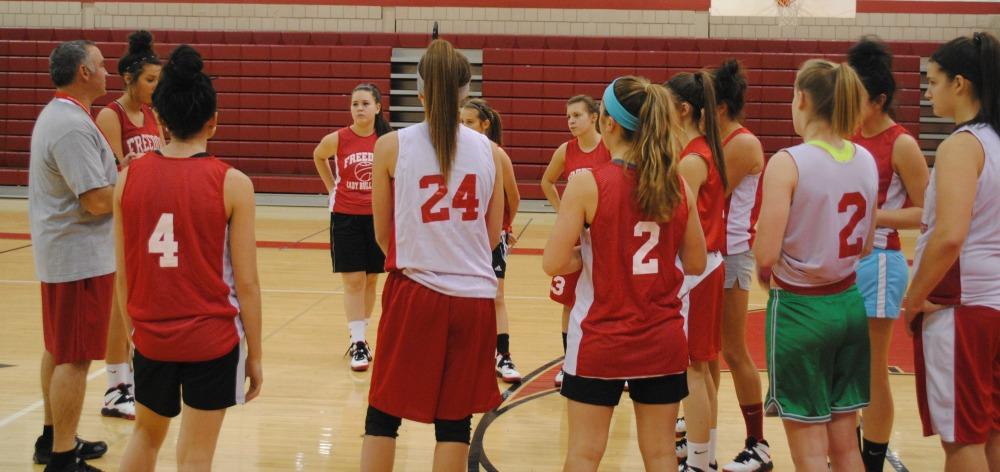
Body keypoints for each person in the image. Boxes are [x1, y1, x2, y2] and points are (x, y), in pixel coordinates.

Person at [544, 75, 705, 472]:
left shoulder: (586, 184)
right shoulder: (677, 184)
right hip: (662, 337)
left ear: (609, 123)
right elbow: (697, 262)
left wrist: (585, 261)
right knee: (662, 454)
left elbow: (552, 262)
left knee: (584, 452)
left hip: (601, 337)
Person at [115, 45, 263, 471]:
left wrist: (132, 335)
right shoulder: (233, 183)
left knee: (144, 437)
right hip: (211, 340)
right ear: (213, 121)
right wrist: (255, 354)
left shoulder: (127, 179)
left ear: (159, 119)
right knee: (196, 455)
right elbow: (247, 283)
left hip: (151, 335)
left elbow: (123, 272)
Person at [361, 39, 504, 471]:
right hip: (475, 299)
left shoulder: (390, 146)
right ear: (465, 93)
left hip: (416, 293)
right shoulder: (492, 153)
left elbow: (384, 236)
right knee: (455, 422)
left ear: (419, 92)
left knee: (383, 413)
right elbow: (492, 234)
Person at [755, 59, 876, 471]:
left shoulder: (789, 161)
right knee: (845, 446)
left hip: (801, 311)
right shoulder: (865, 159)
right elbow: (866, 246)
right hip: (849, 305)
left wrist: (764, 270)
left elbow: (766, 255)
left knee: (808, 451)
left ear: (802, 98)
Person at [903, 31, 1000, 472]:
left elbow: (949, 236)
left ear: (960, 84)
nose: (928, 91)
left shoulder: (963, 145)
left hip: (963, 306)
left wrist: (914, 298)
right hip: (992, 302)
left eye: (934, 81)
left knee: (962, 440)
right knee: (990, 431)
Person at [28, 39, 114, 472]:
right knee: (75, 357)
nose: (107, 71)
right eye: (100, 65)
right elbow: (97, 200)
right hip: (78, 258)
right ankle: (63, 461)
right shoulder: (70, 125)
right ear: (83, 72)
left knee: (59, 349)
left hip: (67, 255)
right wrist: (140, 183)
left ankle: (53, 438)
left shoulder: (66, 115)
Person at [847, 36, 929, 472]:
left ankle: (875, 460)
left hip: (880, 263)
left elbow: (925, 212)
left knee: (874, 369)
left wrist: (876, 217)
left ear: (878, 100)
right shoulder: (844, 136)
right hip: (842, 265)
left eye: (856, 97)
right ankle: (850, 452)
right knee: (844, 367)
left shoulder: (901, 144)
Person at [94, 29, 164, 421]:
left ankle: (132, 379)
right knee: (119, 308)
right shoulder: (111, 115)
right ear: (128, 80)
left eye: (159, 81)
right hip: (121, 222)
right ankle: (114, 386)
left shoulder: (153, 115)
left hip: (150, 223)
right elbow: (113, 173)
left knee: (137, 305)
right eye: (150, 81)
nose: (156, 88)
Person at [711, 59, 772, 472]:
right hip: (711, 253)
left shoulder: (741, 143)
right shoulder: (717, 137)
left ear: (719, 107)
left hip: (731, 253)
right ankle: (698, 440)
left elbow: (709, 195)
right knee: (700, 353)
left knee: (733, 350)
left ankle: (758, 444)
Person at [665, 70, 728, 472]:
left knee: (693, 370)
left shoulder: (692, 160)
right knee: (702, 369)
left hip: (697, 270)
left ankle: (701, 462)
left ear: (683, 109)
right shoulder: (705, 150)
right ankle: (706, 455)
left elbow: (677, 224)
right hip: (709, 266)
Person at [313, 83, 392, 371]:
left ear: (377, 107)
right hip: (345, 216)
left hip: (377, 217)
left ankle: (361, 335)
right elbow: (318, 156)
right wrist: (331, 186)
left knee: (371, 279)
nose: (359, 108)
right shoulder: (338, 138)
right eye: (355, 104)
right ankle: (358, 341)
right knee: (353, 281)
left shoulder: (387, 140)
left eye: (365, 103)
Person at [539, 95, 612, 387]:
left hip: (605, 233)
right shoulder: (565, 150)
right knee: (570, 300)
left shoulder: (608, 147)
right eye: (568, 116)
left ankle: (611, 363)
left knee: (607, 295)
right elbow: (547, 182)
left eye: (577, 115)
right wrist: (563, 214)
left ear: (594, 118)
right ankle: (568, 361)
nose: (571, 121)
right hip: (577, 235)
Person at [460, 98, 523, 383]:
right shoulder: (453, 152)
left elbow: (514, 197)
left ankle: (503, 355)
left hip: (491, 237)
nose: (463, 127)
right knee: (463, 296)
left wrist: (504, 227)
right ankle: (469, 355)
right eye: (460, 122)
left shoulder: (497, 154)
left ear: (485, 124)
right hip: (461, 236)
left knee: (496, 296)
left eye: (469, 122)